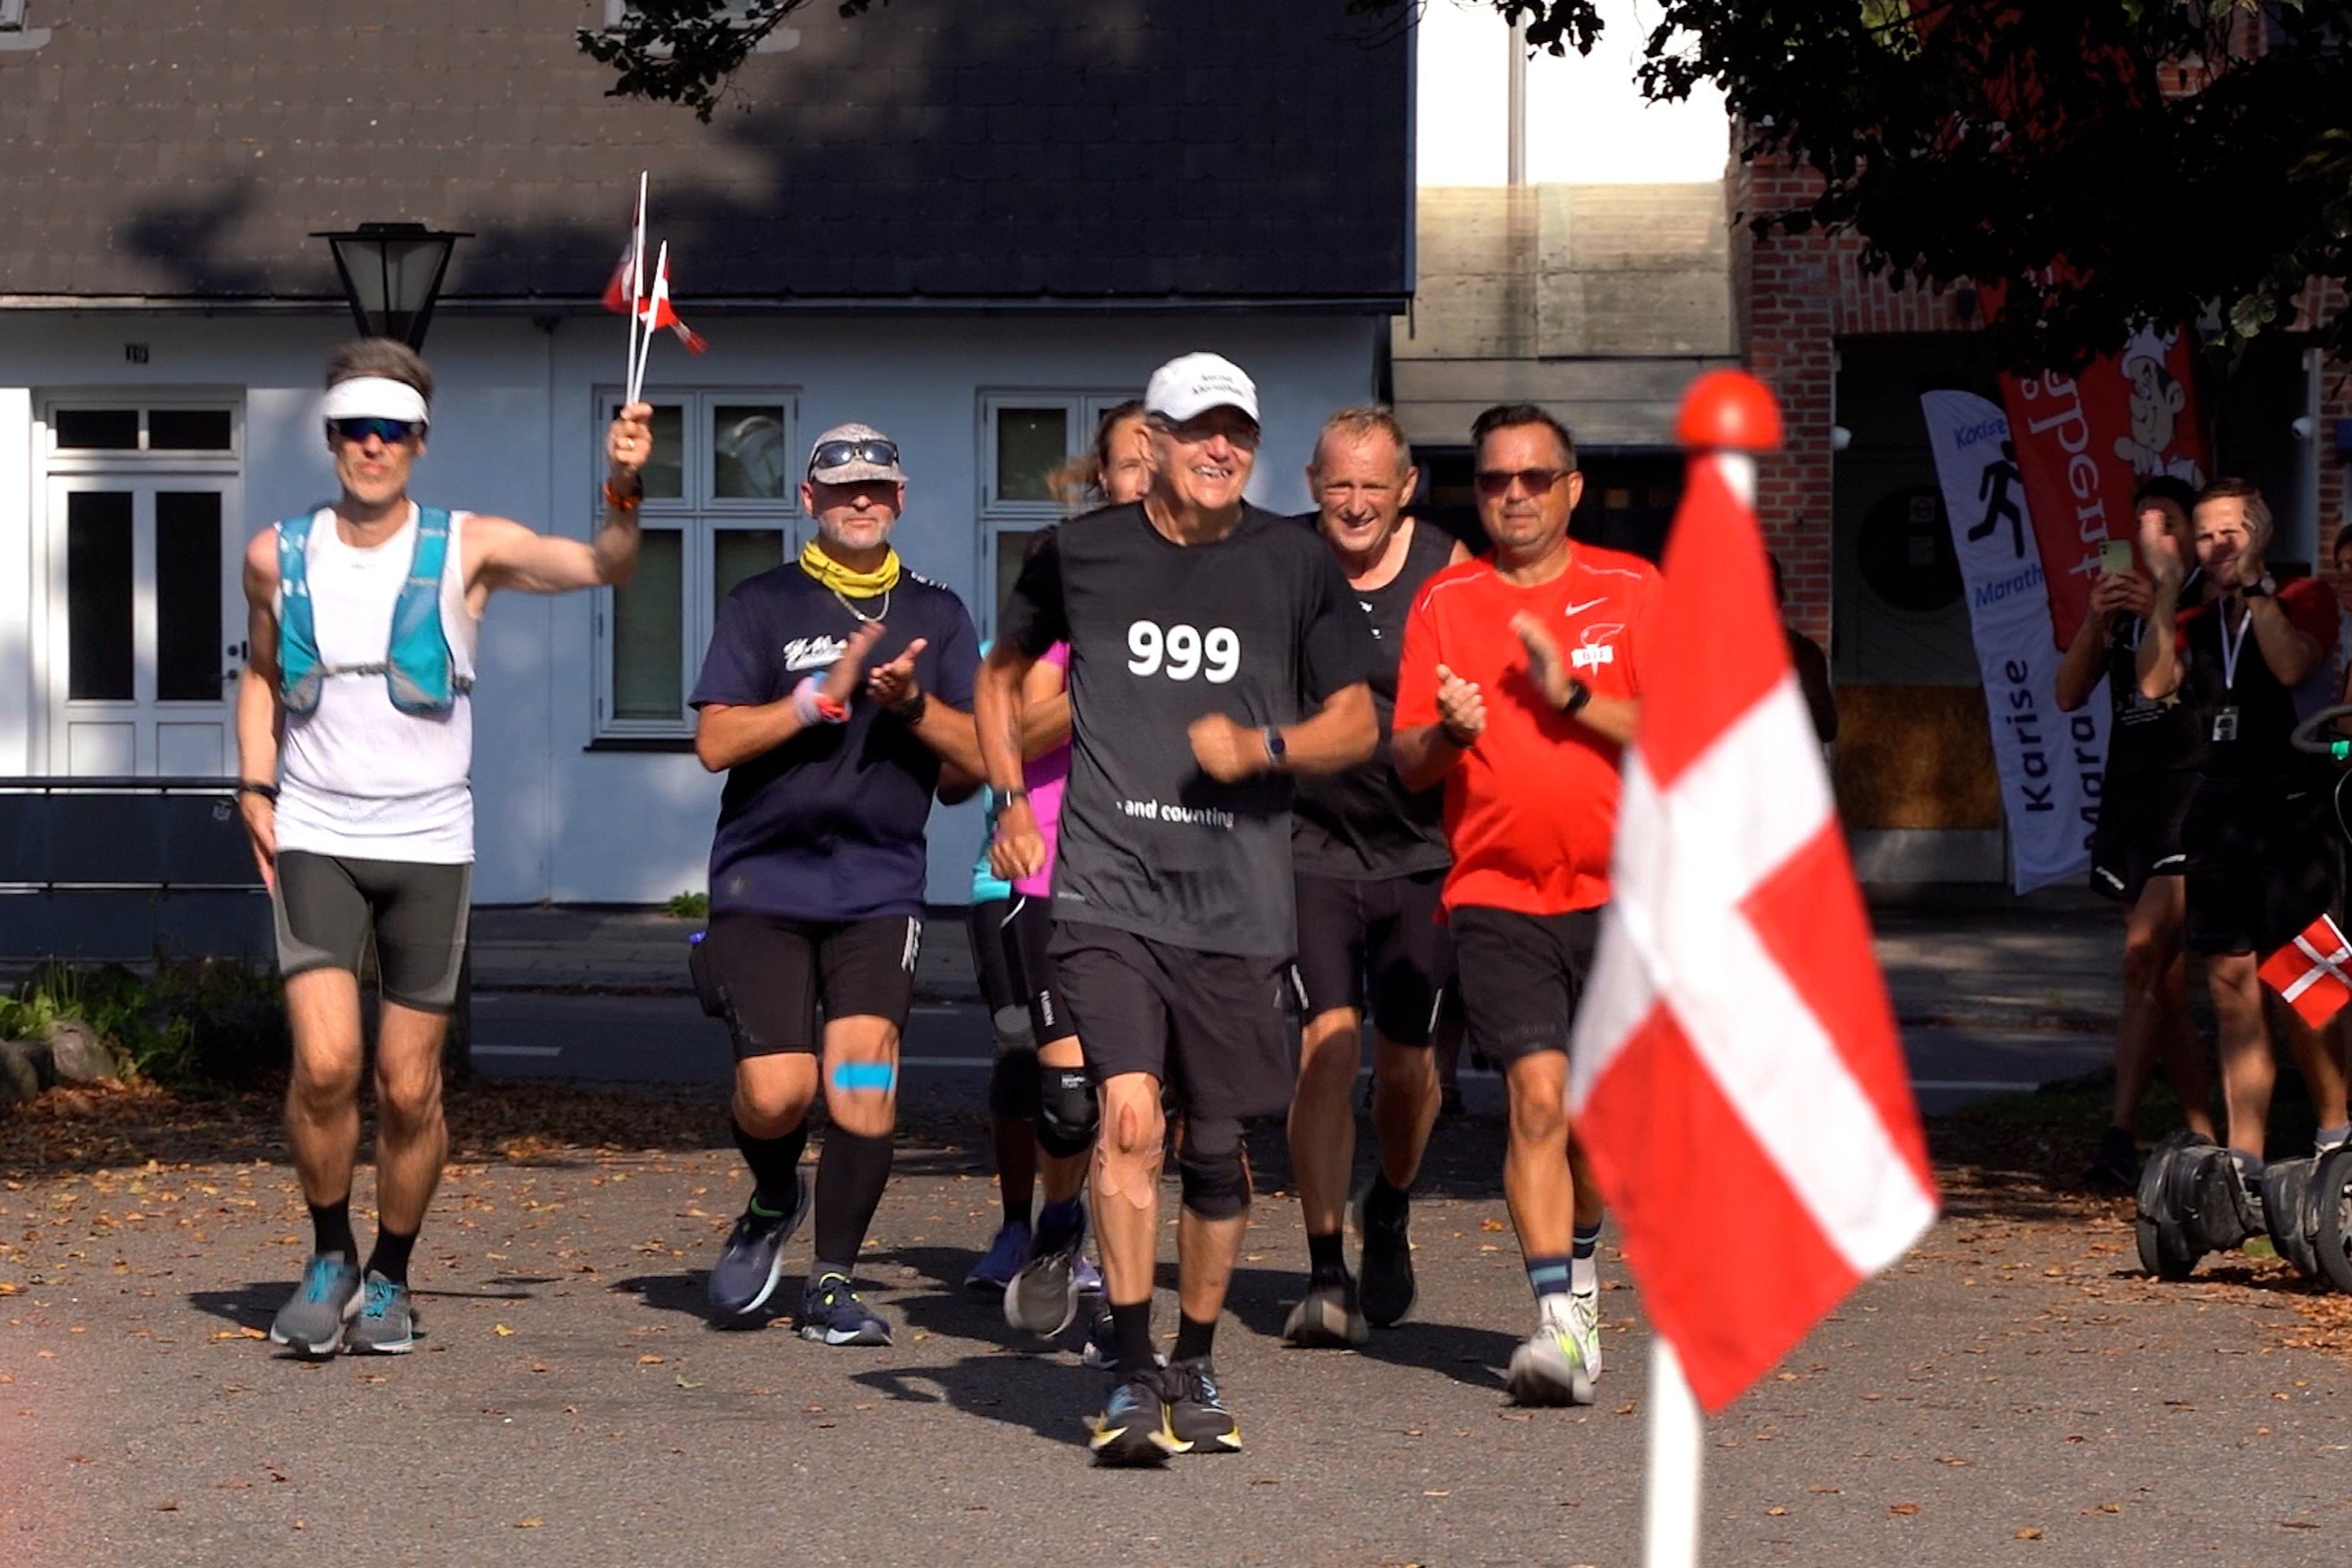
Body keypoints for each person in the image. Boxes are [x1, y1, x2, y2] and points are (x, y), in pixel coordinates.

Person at [978, 352, 1377, 1464]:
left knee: (1215, 1150)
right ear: (1148, 439)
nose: (1220, 449)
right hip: (1108, 887)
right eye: (1199, 429)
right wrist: (1010, 799)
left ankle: (1194, 1356)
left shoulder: (1293, 561)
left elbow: (1357, 718)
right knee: (1127, 1115)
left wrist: (1266, 747)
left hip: (1238, 902)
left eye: (1237, 432)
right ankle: (1126, 1365)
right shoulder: (1081, 552)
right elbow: (998, 674)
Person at [246, 338, 652, 1357]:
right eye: (353, 429)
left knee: (409, 1083)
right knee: (327, 1062)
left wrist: (627, 481)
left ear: (419, 442)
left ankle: (391, 1272)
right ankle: (329, 1251)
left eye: (390, 430)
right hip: (318, 830)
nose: (371, 446)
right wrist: (253, 783)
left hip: (429, 838)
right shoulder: (275, 554)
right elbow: (258, 670)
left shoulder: (470, 545)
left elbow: (606, 564)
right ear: (332, 436)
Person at [691, 423, 984, 1346]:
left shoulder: (937, 614)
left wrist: (915, 705)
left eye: (876, 487)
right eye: (840, 487)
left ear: (900, 500)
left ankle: (832, 1278)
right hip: (762, 884)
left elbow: (974, 763)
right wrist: (811, 699)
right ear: (808, 502)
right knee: (778, 1092)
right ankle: (775, 1195)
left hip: (877, 890)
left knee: (861, 1084)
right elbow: (714, 743)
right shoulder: (761, 602)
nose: (860, 500)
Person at [1392, 402, 1656, 1407]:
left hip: (1621, 893)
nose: (1512, 495)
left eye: (1533, 478)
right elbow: (1410, 763)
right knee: (1537, 1097)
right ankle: (1557, 1320)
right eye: (1496, 478)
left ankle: (1581, 1266)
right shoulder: (1444, 601)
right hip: (1496, 890)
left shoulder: (1631, 590)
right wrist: (1449, 732)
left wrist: (1573, 697)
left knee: (1591, 1121)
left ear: (1570, 488)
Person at [1282, 406, 1469, 1347]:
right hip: (1309, 848)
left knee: (1405, 1075)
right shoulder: (1275, 562)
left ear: (1405, 489)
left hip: (1423, 854)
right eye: (1337, 482)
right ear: (1313, 482)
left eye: (1373, 485)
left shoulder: (1449, 568)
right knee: (1327, 1046)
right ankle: (1322, 1270)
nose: (1354, 502)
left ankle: (1389, 1199)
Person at [2136, 478, 2349, 1190]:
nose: (2218, 546)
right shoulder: (2196, 614)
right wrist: (2165, 591)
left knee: (2308, 981)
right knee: (2230, 981)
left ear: (2259, 532)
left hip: (2293, 810)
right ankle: (2246, 1160)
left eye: (2232, 531)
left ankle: (2334, 1134)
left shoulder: (2303, 595)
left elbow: (2293, 664)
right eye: (2205, 535)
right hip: (2218, 809)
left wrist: (2257, 587)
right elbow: (2153, 687)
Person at [1000, 401, 1154, 1347]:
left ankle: (1115, 1291)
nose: (1148, 474)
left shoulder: (1218, 582)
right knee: (1068, 1102)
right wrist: (1108, 679)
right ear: (1103, 476)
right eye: (1131, 460)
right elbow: (1013, 725)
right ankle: (1061, 1230)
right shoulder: (1067, 576)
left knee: (1141, 1106)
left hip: (1171, 870)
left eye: (1160, 457)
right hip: (1061, 858)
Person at [2053, 477, 2217, 1189]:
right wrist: (2094, 620)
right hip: (2131, 799)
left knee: (2139, 959)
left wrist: (2162, 601)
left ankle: (2118, 1136)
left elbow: (2157, 683)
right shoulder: (2124, 611)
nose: (2152, 537)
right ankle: (2206, 1139)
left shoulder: (2208, 610)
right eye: (2141, 523)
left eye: (2167, 524)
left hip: (2193, 795)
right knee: (2166, 986)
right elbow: (2066, 694)